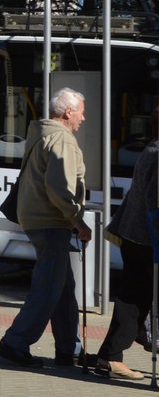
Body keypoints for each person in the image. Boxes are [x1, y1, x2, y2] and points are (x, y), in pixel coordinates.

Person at [0, 87, 93, 369]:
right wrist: (78, 221)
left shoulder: (42, 133)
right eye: (81, 113)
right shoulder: (61, 139)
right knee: (49, 287)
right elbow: (60, 188)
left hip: (40, 218)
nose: (83, 119)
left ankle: (68, 349)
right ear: (69, 111)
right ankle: (15, 342)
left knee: (62, 287)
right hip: (50, 221)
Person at [92, 114, 157, 380]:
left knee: (133, 298)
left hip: (136, 236)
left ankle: (111, 355)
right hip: (147, 238)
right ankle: (116, 352)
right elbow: (155, 202)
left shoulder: (152, 148)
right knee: (135, 297)